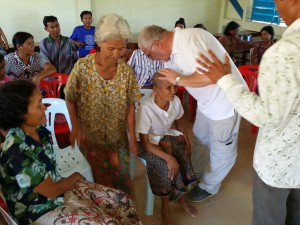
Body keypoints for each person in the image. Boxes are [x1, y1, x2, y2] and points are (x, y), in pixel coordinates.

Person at [195, 0, 300, 224]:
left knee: (269, 218)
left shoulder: (284, 51)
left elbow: (265, 116)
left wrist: (225, 80)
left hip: (279, 164)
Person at [0, 80, 141, 225]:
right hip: (37, 210)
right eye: (38, 105)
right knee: (107, 222)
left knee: (122, 201)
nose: (45, 107)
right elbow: (51, 191)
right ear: (20, 115)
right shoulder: (15, 151)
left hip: (59, 190)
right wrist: (75, 177)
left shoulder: (40, 131)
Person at [138, 25, 245, 203]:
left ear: (156, 44)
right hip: (207, 103)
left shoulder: (190, 41)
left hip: (224, 103)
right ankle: (195, 175)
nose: (150, 58)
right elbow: (167, 81)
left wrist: (179, 79)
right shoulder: (170, 56)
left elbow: (214, 76)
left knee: (221, 150)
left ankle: (208, 186)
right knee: (200, 139)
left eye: (148, 54)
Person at [65, 13, 141, 193]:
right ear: (99, 43)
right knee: (99, 184)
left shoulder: (126, 71)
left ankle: (123, 214)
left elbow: (130, 105)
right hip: (91, 137)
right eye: (110, 48)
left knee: (123, 182)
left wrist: (132, 138)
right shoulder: (83, 67)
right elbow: (70, 97)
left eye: (121, 48)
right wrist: (75, 126)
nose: (116, 54)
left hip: (118, 137)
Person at [136, 72, 197, 225]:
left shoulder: (175, 101)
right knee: (164, 165)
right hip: (147, 143)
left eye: (174, 87)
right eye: (168, 88)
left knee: (182, 154)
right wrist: (168, 157)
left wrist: (188, 142)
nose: (173, 91)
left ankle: (180, 198)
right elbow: (144, 143)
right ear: (155, 90)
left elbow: (179, 124)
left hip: (165, 135)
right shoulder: (146, 109)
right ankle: (165, 208)